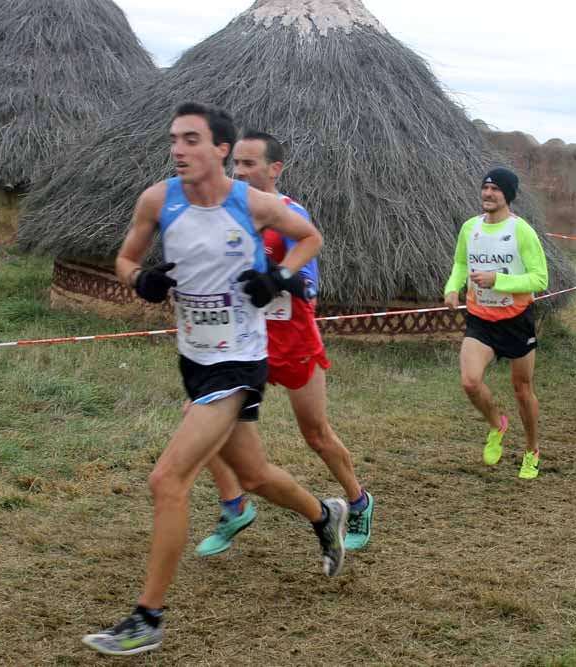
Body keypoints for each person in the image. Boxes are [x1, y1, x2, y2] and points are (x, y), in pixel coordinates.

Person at [83, 103, 347, 657]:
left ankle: (147, 618)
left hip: (240, 360)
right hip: (194, 357)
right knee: (252, 475)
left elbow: (311, 238)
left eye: (192, 140)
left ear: (221, 149)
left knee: (167, 481)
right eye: (175, 139)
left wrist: (275, 277)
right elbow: (125, 259)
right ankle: (326, 515)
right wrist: (142, 280)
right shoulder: (158, 200)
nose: (179, 149)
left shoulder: (253, 203)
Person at [192, 130, 374, 559]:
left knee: (315, 434)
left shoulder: (289, 214)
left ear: (275, 169)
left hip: (292, 341)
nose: (239, 171)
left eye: (249, 164)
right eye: (236, 163)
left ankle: (359, 501)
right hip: (242, 344)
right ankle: (234, 506)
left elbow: (308, 284)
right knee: (198, 421)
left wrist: (271, 274)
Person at [444, 168, 548, 479]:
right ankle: (496, 424)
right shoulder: (470, 228)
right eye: (486, 187)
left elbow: (540, 278)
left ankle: (532, 450)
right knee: (470, 382)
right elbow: (461, 262)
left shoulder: (521, 231)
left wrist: (498, 280)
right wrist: (452, 287)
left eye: (496, 189)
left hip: (516, 320)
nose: (488, 193)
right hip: (480, 319)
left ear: (508, 195)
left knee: (522, 390)